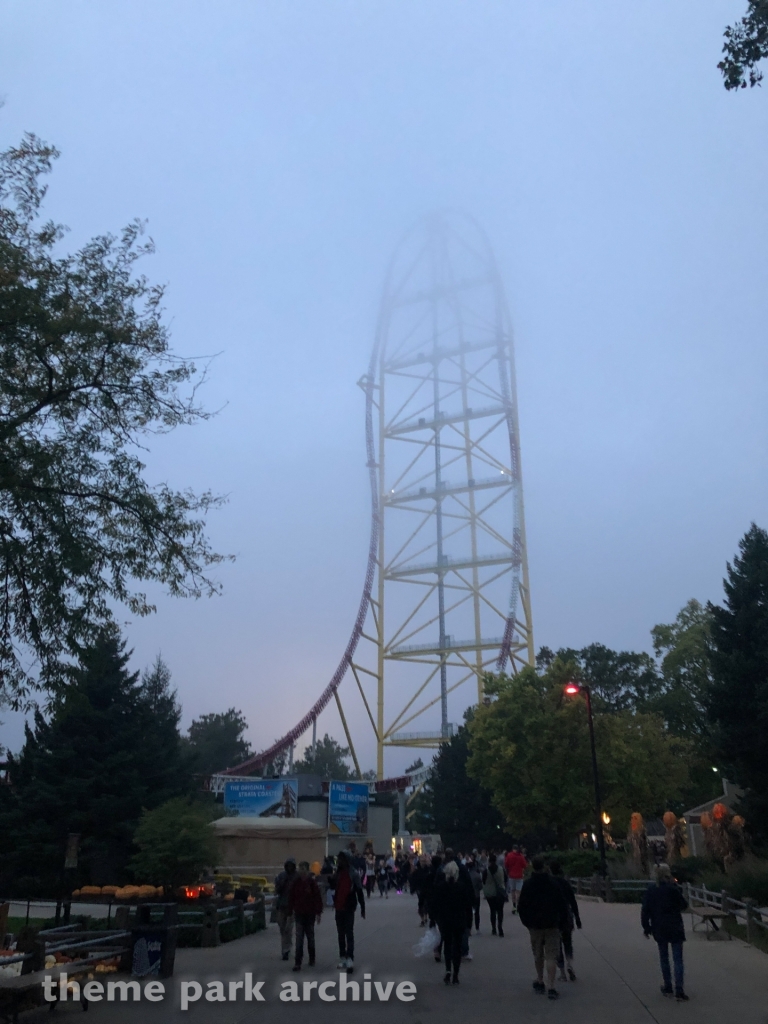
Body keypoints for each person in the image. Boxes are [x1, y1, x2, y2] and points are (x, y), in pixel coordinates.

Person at [517, 856, 568, 1001]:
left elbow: (522, 906)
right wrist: (562, 921)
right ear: (544, 867)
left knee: (538, 954)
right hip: (552, 923)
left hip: (535, 925)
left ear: (533, 867)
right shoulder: (553, 883)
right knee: (551, 955)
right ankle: (551, 986)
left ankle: (540, 980)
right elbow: (562, 904)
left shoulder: (528, 885)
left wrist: (527, 922)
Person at [641, 863, 689, 1002]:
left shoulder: (651, 890)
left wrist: (646, 928)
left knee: (664, 958)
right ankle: (679, 990)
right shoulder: (673, 889)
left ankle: (668, 986)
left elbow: (645, 911)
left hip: (659, 927)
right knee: (678, 959)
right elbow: (684, 905)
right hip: (675, 926)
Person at [434, 860, 473, 985]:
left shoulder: (441, 887)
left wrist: (436, 919)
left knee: (447, 944)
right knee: (457, 946)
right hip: (459, 920)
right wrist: (468, 922)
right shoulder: (461, 887)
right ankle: (456, 974)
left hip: (445, 920)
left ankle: (448, 970)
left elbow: (437, 905)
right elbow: (467, 905)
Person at [329, 850, 366, 971]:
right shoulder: (338, 873)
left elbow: (359, 891)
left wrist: (362, 908)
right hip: (339, 906)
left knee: (349, 932)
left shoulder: (353, 873)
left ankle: (350, 957)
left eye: (342, 859)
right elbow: (334, 886)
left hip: (349, 906)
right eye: (339, 859)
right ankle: (342, 957)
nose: (340, 861)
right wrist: (331, 880)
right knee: (340, 933)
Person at [549, 860, 581, 981]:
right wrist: (577, 918)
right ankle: (570, 964)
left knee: (557, 946)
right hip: (566, 915)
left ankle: (562, 973)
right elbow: (573, 901)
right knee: (568, 942)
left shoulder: (550, 884)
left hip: (554, 916)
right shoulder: (565, 883)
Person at [288, 861, 323, 971]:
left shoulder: (312, 883)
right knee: (299, 939)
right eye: (300, 868)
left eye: (303, 869)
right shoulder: (296, 883)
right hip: (299, 914)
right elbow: (291, 898)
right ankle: (298, 962)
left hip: (310, 914)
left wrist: (318, 913)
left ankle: (312, 958)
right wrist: (290, 911)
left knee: (310, 937)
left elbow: (317, 898)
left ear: (307, 870)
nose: (301, 871)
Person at [273, 858, 298, 961]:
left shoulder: (297, 877)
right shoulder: (282, 876)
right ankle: (285, 947)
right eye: (288, 866)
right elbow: (277, 890)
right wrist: (283, 883)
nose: (290, 868)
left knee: (288, 928)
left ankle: (286, 950)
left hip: (292, 907)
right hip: (282, 905)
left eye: (291, 866)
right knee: (282, 928)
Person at [482, 853, 507, 937]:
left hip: (490, 893)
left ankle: (493, 928)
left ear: (489, 861)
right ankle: (500, 927)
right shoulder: (501, 869)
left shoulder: (486, 871)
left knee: (492, 910)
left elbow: (484, 881)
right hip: (500, 893)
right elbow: (506, 879)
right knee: (500, 910)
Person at [504, 845, 527, 914]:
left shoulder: (509, 855)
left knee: (513, 891)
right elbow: (525, 865)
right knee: (518, 892)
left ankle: (514, 906)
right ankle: (518, 906)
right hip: (519, 876)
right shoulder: (521, 856)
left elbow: (506, 865)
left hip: (511, 876)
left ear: (512, 849)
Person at [467, 858, 483, 933]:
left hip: (468, 896)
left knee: (469, 913)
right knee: (477, 912)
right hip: (476, 895)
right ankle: (477, 927)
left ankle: (469, 928)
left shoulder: (467, 875)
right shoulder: (477, 876)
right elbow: (481, 887)